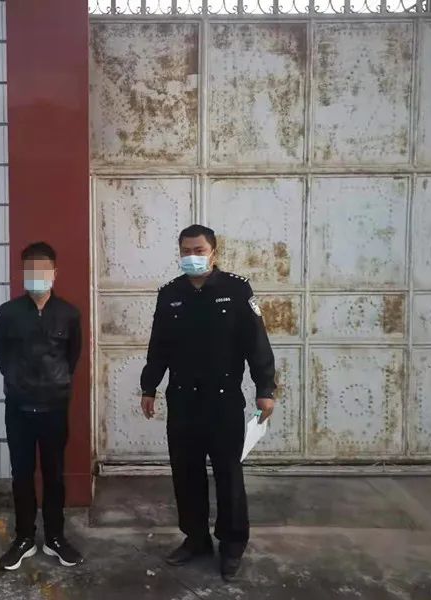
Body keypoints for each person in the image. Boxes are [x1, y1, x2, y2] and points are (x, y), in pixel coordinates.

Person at [140, 224, 276, 582]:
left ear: (213, 252)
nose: (192, 257)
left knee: (228, 474)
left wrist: (265, 388)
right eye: (186, 251)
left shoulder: (236, 289)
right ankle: (196, 538)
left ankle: (232, 544)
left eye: (199, 250)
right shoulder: (170, 294)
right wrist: (149, 386)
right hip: (183, 400)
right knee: (186, 473)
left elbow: (256, 343)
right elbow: (158, 347)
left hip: (223, 401)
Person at [0, 242, 84, 571]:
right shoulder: (7, 313)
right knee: (21, 474)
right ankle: (24, 538)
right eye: (31, 270)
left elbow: (72, 357)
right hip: (18, 408)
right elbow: (0, 355)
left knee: (54, 475)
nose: (37, 276)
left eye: (44, 270)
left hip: (54, 408)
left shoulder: (69, 314)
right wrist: (20, 382)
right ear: (23, 273)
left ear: (54, 273)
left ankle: (55, 537)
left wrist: (52, 384)